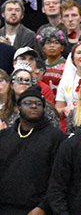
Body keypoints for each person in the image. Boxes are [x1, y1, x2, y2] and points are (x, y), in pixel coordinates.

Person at [0, 86, 65, 215]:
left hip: (38, 209)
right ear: (18, 108)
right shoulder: (4, 136)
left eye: (38, 104)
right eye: (28, 103)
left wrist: (44, 207)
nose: (34, 106)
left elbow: (59, 178)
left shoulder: (55, 137)